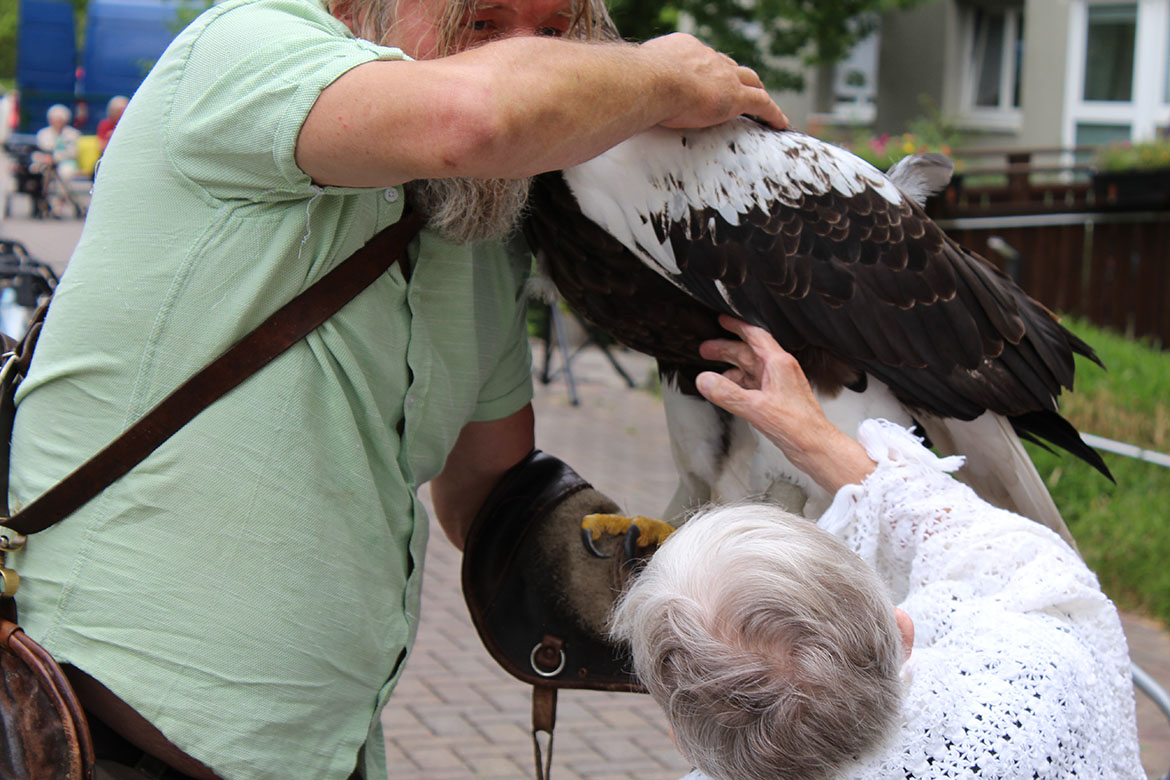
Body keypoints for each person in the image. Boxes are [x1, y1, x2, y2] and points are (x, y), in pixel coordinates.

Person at [4, 0, 785, 777]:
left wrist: (703, 586)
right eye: (483, 22)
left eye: (556, 32)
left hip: (329, 750)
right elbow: (475, 115)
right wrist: (661, 72)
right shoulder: (245, 46)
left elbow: (491, 487)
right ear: (351, 7)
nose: (531, 56)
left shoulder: (481, 230)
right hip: (82, 731)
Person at [610, 315, 1145, 780]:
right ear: (902, 631)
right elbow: (1017, 560)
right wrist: (815, 435)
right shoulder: (1036, 690)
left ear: (683, 739)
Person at [33, 103, 83, 214]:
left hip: (65, 162)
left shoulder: (73, 134)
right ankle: (41, 201)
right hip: (46, 162)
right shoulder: (43, 133)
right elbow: (40, 150)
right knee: (37, 173)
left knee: (65, 173)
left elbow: (72, 152)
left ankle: (59, 203)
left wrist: (55, 158)